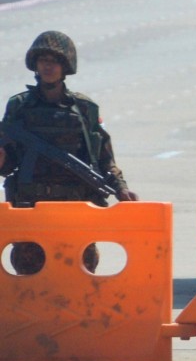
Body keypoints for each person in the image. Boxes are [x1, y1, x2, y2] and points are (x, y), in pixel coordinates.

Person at [0, 31, 138, 275]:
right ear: (35, 65)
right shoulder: (19, 106)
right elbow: (8, 162)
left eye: (54, 60)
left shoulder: (84, 109)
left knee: (80, 270)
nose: (48, 65)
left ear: (65, 66)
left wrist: (120, 189)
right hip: (32, 206)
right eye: (43, 60)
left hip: (75, 208)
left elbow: (104, 159)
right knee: (28, 270)